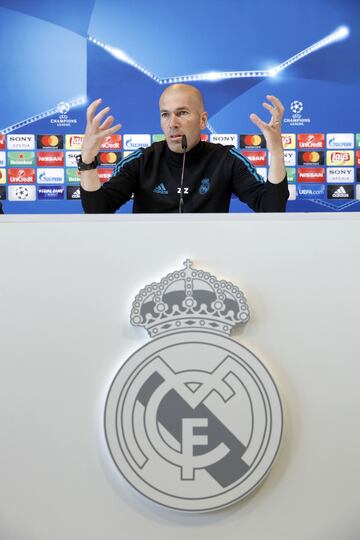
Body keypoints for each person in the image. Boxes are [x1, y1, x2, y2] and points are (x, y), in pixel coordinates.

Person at [79, 84, 288, 213]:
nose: (172, 123)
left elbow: (271, 207)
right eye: (165, 114)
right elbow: (98, 211)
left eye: (182, 113)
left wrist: (277, 153)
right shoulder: (142, 160)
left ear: (203, 120)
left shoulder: (227, 159)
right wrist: (87, 160)